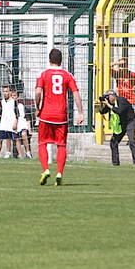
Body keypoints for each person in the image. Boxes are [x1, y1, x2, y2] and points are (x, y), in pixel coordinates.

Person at [35, 48, 84, 186]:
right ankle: (59, 173)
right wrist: (80, 113)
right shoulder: (68, 75)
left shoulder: (43, 74)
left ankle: (45, 170)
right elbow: (76, 94)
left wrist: (37, 107)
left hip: (46, 115)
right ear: (61, 60)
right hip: (61, 116)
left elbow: (38, 92)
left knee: (42, 143)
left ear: (49, 59)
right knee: (61, 145)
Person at [99, 90, 135, 167]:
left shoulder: (122, 100)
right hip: (121, 124)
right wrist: (101, 105)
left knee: (131, 141)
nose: (107, 99)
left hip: (130, 122)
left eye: (108, 97)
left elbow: (119, 111)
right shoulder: (111, 104)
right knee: (113, 142)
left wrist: (108, 105)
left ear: (113, 96)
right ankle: (115, 163)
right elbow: (103, 111)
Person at [0, 86, 18, 158]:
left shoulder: (14, 102)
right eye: (4, 91)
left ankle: (10, 153)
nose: (5, 93)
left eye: (6, 91)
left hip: (11, 123)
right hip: (3, 124)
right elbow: (1, 112)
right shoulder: (2, 101)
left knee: (12, 139)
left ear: (10, 92)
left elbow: (17, 114)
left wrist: (15, 122)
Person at [12, 90, 32, 159]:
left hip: (21, 122)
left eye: (14, 96)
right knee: (17, 139)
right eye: (12, 96)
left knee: (24, 135)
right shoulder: (10, 105)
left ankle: (28, 152)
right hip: (14, 123)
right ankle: (20, 154)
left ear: (17, 97)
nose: (13, 97)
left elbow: (26, 117)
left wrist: (29, 128)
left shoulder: (21, 105)